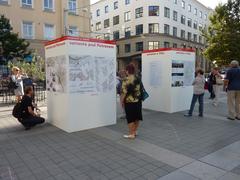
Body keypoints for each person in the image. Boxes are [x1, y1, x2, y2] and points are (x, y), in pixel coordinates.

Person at [120, 64, 142, 139]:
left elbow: (123, 92)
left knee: (130, 118)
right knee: (137, 117)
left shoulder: (126, 80)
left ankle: (131, 134)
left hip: (129, 102)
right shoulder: (138, 78)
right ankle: (135, 131)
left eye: (126, 70)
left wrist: (122, 101)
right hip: (138, 101)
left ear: (127, 71)